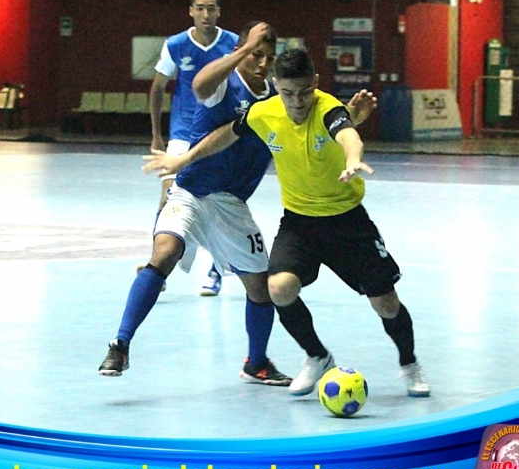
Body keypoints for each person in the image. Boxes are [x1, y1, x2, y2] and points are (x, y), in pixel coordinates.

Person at [143, 48, 430, 399]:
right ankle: (317, 356)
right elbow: (228, 133)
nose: (297, 101)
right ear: (275, 84)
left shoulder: (329, 109)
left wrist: (354, 158)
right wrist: (184, 158)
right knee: (278, 288)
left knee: (385, 302)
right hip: (300, 224)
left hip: (347, 223)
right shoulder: (264, 112)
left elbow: (347, 134)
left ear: (317, 84)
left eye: (305, 92)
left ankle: (409, 363)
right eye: (288, 92)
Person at [99, 21, 292, 386]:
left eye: (268, 57)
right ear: (241, 51)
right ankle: (120, 343)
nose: (263, 63)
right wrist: (238, 52)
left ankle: (257, 362)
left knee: (260, 288)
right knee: (164, 252)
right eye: (256, 54)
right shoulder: (224, 83)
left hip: (231, 204)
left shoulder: (273, 100)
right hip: (190, 190)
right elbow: (200, 84)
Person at [147, 0, 238, 296]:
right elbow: (158, 87)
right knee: (167, 198)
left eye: (211, 9)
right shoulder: (175, 45)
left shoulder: (232, 44)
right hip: (183, 131)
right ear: (190, 11)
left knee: (215, 202)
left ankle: (215, 271)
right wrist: (157, 133)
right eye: (200, 8)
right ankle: (157, 270)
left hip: (216, 132)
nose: (206, 14)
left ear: (219, 11)